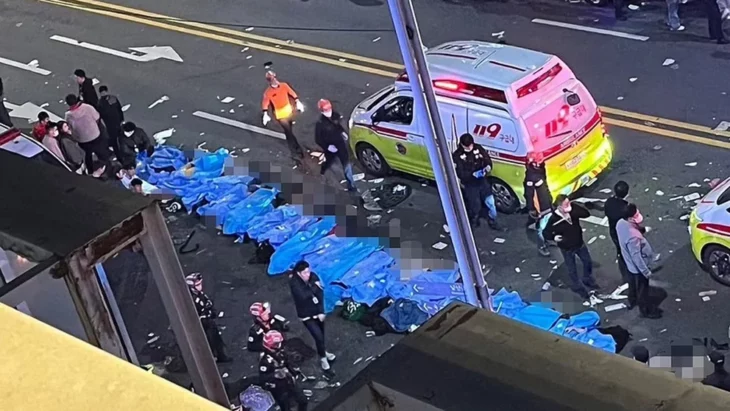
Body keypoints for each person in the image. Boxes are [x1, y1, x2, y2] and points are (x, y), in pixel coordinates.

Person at [544, 194, 598, 299]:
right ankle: (578, 287)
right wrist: (554, 237)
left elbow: (586, 214)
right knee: (572, 269)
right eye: (566, 204)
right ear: (559, 207)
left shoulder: (573, 210)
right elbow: (546, 233)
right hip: (567, 248)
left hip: (579, 243)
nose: (569, 205)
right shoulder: (554, 220)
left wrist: (572, 210)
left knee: (587, 261)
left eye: (569, 203)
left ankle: (587, 279)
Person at [617, 203, 664, 319]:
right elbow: (636, 257)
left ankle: (632, 301)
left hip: (628, 264)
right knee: (643, 290)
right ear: (630, 218)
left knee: (632, 285)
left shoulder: (620, 224)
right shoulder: (633, 237)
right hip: (637, 268)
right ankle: (645, 311)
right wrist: (646, 271)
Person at [289, 260, 336, 377]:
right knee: (318, 336)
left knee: (322, 334)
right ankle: (323, 358)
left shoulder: (313, 276)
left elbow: (320, 294)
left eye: (308, 271)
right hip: (306, 315)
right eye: (304, 272)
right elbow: (303, 296)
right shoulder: (294, 283)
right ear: (299, 273)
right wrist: (315, 287)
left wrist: (321, 311)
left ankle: (323, 351)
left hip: (317, 312)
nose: (308, 274)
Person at [452, 133, 502, 230]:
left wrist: (488, 166)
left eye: (471, 145)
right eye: (467, 146)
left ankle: (493, 220)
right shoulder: (457, 155)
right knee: (475, 205)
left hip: (482, 180)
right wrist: (471, 175)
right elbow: (460, 173)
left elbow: (487, 159)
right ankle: (474, 219)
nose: (470, 147)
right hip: (470, 184)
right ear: (462, 145)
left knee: (490, 202)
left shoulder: (478, 148)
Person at [185, 273, 231, 362]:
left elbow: (208, 304)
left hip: (209, 321)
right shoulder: (192, 300)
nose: (200, 286)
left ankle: (221, 356)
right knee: (209, 343)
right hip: (203, 325)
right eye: (197, 285)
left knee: (217, 340)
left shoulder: (200, 295)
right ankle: (211, 359)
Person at [259, 330, 308, 411]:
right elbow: (262, 378)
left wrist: (293, 371)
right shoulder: (265, 361)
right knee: (285, 408)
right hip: (279, 387)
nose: (280, 345)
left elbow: (285, 362)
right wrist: (275, 375)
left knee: (303, 400)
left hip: (289, 380)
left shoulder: (280, 351)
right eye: (277, 344)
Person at [314, 99, 356, 192]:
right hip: (329, 146)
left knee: (346, 164)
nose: (329, 112)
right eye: (326, 110)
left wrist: (342, 132)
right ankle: (322, 172)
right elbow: (318, 139)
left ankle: (351, 185)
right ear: (321, 111)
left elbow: (338, 126)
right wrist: (327, 147)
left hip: (340, 144)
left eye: (329, 109)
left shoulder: (335, 115)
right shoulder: (320, 123)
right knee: (328, 162)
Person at [261, 70, 304, 160]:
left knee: (290, 131)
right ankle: (296, 151)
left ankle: (295, 149)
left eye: (274, 77)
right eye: (271, 79)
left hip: (289, 112)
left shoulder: (284, 86)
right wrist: (265, 113)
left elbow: (291, 92)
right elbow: (265, 103)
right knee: (289, 133)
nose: (274, 80)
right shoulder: (268, 93)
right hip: (281, 116)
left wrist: (297, 101)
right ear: (269, 81)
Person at [64, 94, 110, 176]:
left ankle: (90, 171)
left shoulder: (68, 115)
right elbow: (97, 117)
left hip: (83, 140)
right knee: (100, 150)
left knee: (87, 154)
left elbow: (71, 127)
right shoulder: (87, 107)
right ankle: (105, 165)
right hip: (95, 134)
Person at [524, 151, 552, 256]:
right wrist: (532, 209)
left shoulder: (540, 170)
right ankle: (541, 246)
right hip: (541, 207)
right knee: (541, 228)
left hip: (547, 203)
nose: (541, 163)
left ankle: (547, 239)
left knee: (548, 224)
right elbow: (529, 194)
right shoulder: (530, 177)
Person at [97, 85, 125, 158]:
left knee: (117, 138)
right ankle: (120, 152)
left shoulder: (101, 102)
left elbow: (119, 109)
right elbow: (119, 109)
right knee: (117, 138)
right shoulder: (111, 99)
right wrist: (121, 119)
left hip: (112, 123)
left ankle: (120, 152)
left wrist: (121, 119)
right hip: (114, 123)